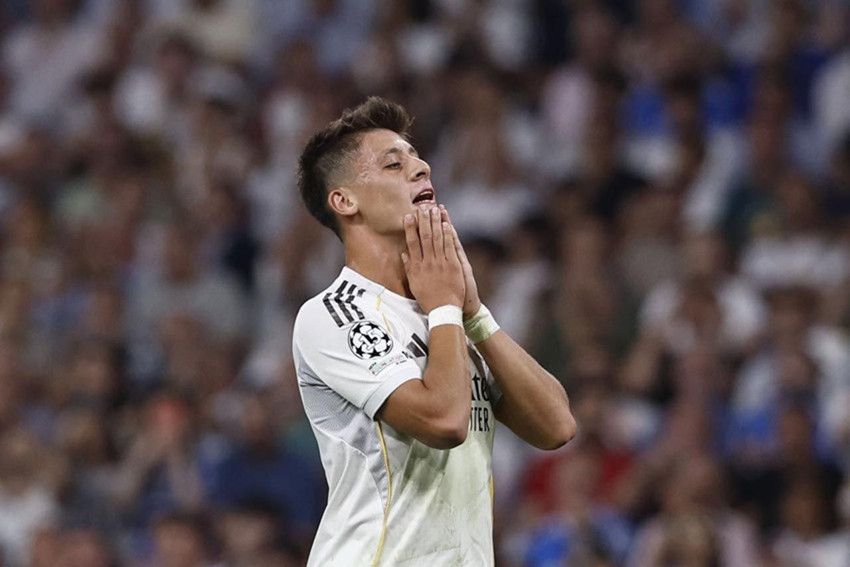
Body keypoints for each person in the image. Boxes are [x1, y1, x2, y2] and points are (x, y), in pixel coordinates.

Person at [291, 97, 577, 565]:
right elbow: (445, 422)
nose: (422, 167)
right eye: (393, 163)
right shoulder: (332, 313)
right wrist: (445, 307)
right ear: (344, 201)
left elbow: (557, 426)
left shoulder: (448, 317)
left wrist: (475, 313)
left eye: (417, 158)